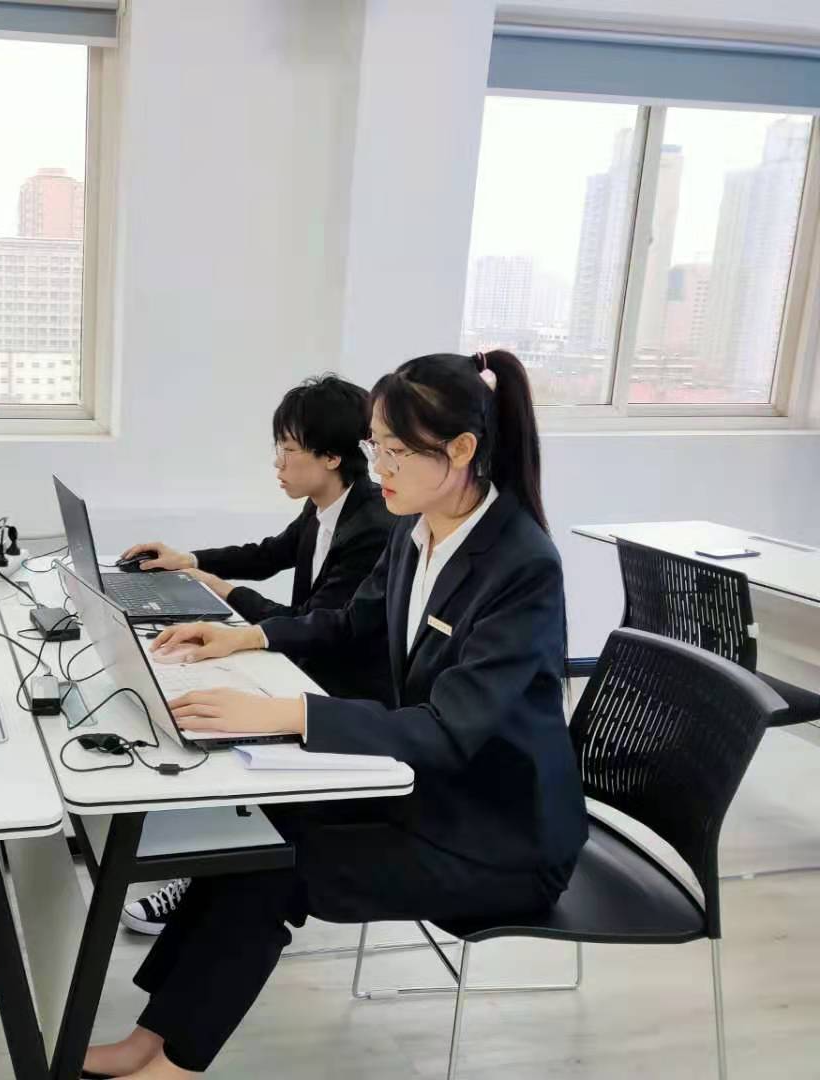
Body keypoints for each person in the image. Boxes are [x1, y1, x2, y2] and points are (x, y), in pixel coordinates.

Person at [83, 351, 588, 1080]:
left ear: (461, 450)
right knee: (250, 834)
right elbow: (351, 621)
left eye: (394, 451)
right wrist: (245, 635)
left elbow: (449, 729)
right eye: (374, 446)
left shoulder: (521, 564)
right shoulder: (417, 528)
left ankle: (174, 1066)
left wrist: (288, 712)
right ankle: (149, 1041)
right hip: (426, 793)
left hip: (498, 838)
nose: (377, 467)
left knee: (275, 868)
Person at [116, 375, 393, 935]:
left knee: (212, 714)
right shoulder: (326, 505)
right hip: (304, 663)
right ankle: (213, 869)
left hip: (338, 689)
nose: (278, 464)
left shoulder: (372, 526)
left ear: (332, 457)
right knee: (190, 679)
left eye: (288, 450)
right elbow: (269, 554)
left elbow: (320, 625)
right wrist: (188, 560)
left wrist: (223, 592)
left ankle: (219, 878)